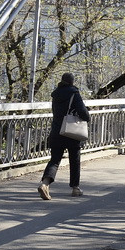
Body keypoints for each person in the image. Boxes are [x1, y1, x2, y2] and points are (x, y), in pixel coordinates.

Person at [37, 72, 91, 200]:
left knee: (55, 160)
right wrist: (87, 116)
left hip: (57, 131)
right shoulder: (74, 93)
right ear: (72, 82)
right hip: (71, 132)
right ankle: (75, 188)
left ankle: (45, 184)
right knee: (75, 160)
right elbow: (83, 112)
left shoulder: (55, 94)